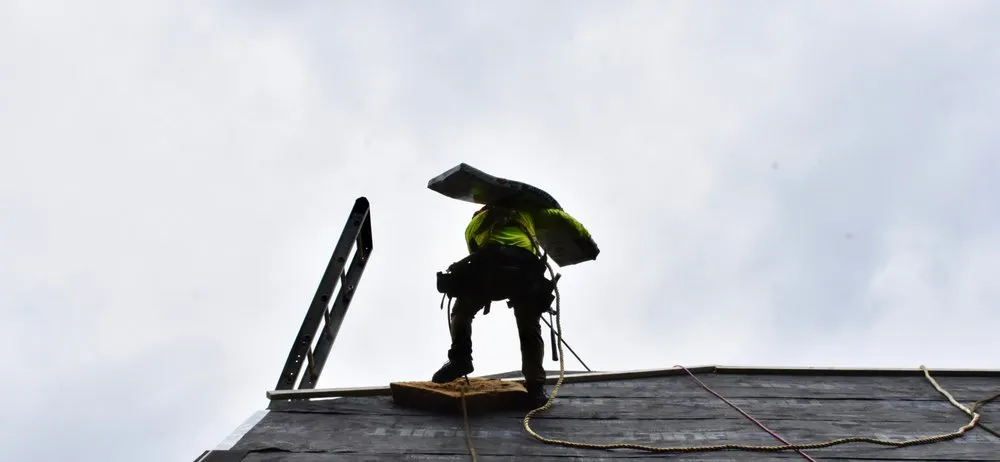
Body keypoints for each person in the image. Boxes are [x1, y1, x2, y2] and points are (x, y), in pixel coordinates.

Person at [432, 201, 593, 408]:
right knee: (529, 327)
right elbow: (561, 218)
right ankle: (535, 386)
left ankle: (460, 358)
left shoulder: (474, 223)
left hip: (490, 270)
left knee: (462, 311)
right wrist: (585, 240)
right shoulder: (528, 213)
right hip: (523, 272)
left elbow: (474, 251)